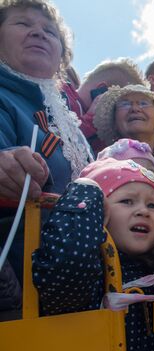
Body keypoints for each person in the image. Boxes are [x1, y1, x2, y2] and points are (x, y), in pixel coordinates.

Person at [33, 158, 154, 351]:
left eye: (153, 205)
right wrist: (86, 192)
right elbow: (68, 267)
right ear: (101, 211)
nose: (143, 211)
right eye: (127, 201)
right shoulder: (92, 270)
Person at [0, 0, 93, 292]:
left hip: (76, 283)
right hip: (17, 288)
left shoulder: (65, 118)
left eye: (50, 32)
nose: (38, 33)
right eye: (23, 23)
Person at [92, 84, 154, 204]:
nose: (135, 109)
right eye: (125, 104)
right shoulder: (102, 162)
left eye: (143, 103)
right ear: (114, 121)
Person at [76, 58, 146, 153]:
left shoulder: (98, 129)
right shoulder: (60, 98)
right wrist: (90, 120)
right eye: (123, 104)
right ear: (102, 90)